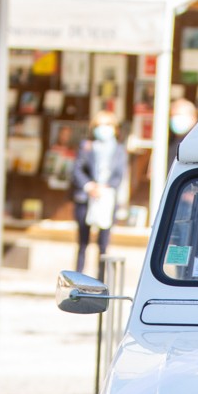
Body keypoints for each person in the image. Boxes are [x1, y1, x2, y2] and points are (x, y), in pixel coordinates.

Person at [71, 111, 127, 273]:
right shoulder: (86, 146)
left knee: (103, 244)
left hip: (107, 198)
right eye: (99, 125)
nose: (103, 128)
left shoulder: (119, 150)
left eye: (107, 125)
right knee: (83, 243)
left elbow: (119, 175)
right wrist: (89, 186)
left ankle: (101, 278)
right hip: (86, 197)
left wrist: (105, 188)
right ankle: (78, 277)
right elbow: (77, 170)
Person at [167, 98, 198, 163]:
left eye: (179, 115)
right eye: (172, 115)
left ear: (193, 118)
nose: (175, 118)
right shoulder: (168, 142)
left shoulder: (197, 144)